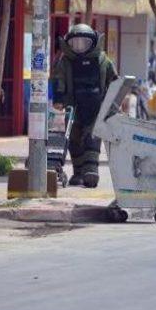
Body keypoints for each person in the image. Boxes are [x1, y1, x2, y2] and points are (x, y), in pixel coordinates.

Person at [53, 24, 118, 188]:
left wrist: (113, 105)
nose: (80, 47)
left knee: (92, 138)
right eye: (76, 43)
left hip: (96, 108)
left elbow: (114, 82)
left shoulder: (103, 61)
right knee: (73, 141)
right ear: (69, 44)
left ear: (93, 43)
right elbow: (58, 80)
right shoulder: (65, 62)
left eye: (84, 43)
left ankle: (91, 171)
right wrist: (59, 98)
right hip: (73, 108)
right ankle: (78, 172)